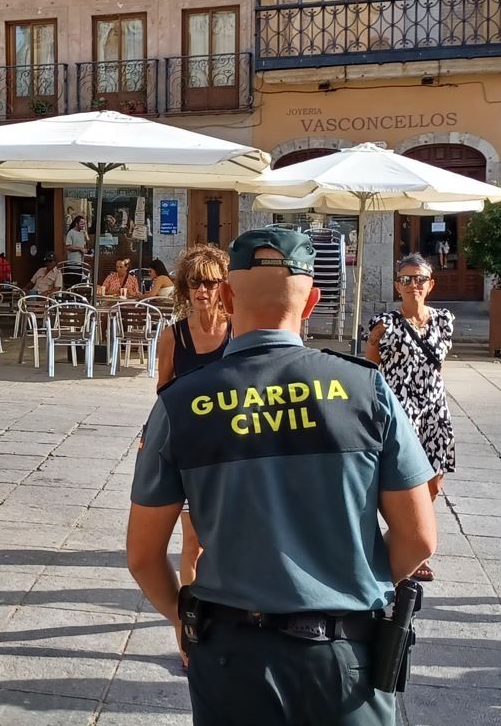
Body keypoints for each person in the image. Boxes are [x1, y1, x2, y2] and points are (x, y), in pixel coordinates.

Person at [127, 227, 437, 725]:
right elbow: (420, 539)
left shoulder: (181, 404)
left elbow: (142, 555)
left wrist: (182, 622)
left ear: (227, 297)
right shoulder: (366, 389)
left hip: (230, 655)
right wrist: (353, 583)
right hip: (343, 658)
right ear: (312, 301)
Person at [367, 253, 456, 583]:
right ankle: (409, 546)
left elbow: (438, 367)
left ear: (430, 284)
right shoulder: (384, 325)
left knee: (432, 484)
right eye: (406, 279)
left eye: (419, 279)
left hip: (434, 413)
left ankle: (415, 535)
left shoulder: (444, 321)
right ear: (397, 286)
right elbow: (370, 370)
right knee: (400, 482)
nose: (413, 285)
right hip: (399, 415)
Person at [150, 244, 231, 596]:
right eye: (195, 283)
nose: (202, 291)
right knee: (193, 542)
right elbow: (163, 393)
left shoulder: (239, 333)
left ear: (223, 287)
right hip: (189, 451)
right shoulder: (173, 336)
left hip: (232, 450)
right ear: (184, 287)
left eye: (211, 284)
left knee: (232, 540)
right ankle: (192, 624)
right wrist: (152, 440)